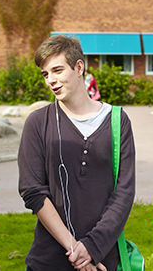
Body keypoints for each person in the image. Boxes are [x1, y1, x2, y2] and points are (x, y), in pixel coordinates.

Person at [18, 35, 136, 271]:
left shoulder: (117, 120)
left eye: (58, 70)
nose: (51, 80)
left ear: (79, 67)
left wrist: (92, 248)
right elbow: (32, 191)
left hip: (102, 259)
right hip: (48, 260)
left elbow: (124, 192)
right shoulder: (38, 122)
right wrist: (75, 249)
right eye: (45, 74)